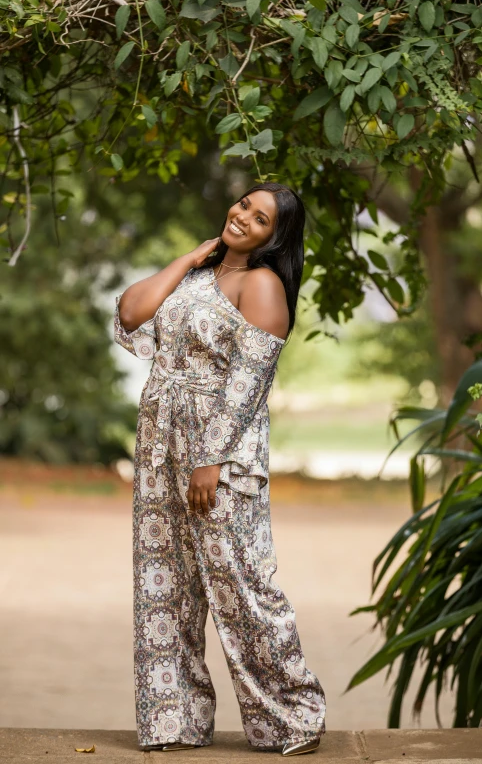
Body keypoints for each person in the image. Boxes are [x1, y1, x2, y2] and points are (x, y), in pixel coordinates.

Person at [114, 182, 326, 756]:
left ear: (273, 237)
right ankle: (174, 721)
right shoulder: (196, 278)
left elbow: (248, 383)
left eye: (260, 220)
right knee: (166, 587)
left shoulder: (262, 284)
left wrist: (209, 458)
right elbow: (132, 314)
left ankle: (291, 718)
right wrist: (189, 257)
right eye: (243, 206)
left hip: (221, 455)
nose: (243, 219)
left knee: (242, 587)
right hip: (160, 444)